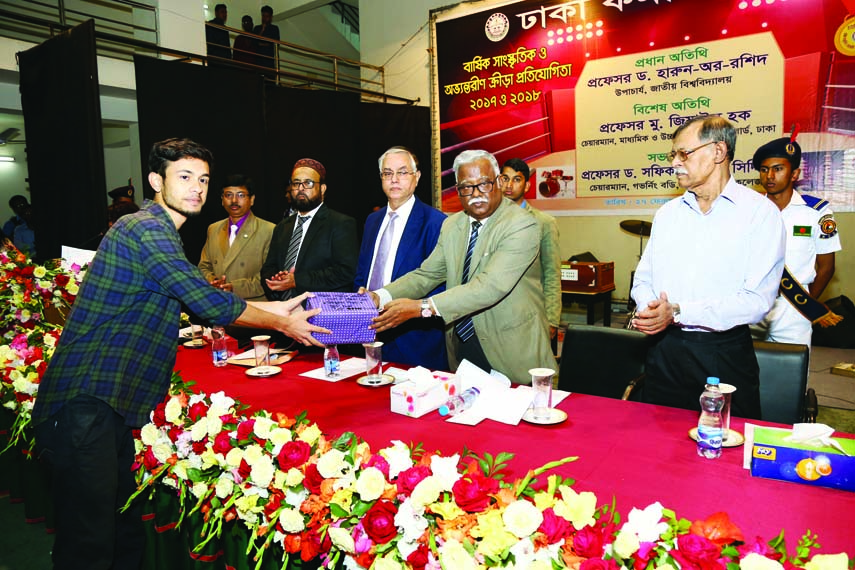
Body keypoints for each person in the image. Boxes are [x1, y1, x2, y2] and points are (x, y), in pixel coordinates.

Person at [31, 138, 327, 570]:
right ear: (156, 181)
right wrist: (283, 322)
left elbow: (198, 293)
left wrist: (275, 307)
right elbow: (205, 301)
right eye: (184, 177)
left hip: (104, 406)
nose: (197, 189)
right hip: (85, 402)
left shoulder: (158, 232)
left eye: (203, 179)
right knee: (90, 544)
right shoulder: (145, 229)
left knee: (119, 531)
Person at [630, 116, 786, 420]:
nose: (674, 163)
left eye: (683, 153)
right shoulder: (668, 214)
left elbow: (756, 301)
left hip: (722, 354)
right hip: (665, 350)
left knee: (726, 448)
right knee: (658, 445)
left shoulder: (759, 214)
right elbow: (644, 277)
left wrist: (677, 311)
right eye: (672, 155)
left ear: (718, 152)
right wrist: (649, 308)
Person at [365, 149, 554, 383]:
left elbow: (489, 287)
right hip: (462, 346)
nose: (476, 194)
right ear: (458, 190)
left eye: (484, 184)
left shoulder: (522, 224)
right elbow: (427, 274)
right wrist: (379, 296)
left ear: (498, 182)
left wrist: (420, 308)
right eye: (466, 187)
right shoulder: (452, 224)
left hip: (511, 349)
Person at [354, 146, 448, 370]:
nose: (394, 179)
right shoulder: (372, 220)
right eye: (387, 173)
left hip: (415, 341)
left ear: (417, 177)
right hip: (371, 334)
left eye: (402, 172)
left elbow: (438, 284)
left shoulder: (436, 222)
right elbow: (362, 274)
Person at [752, 135, 843, 346]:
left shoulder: (816, 213)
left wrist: (806, 304)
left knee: (792, 372)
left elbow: (827, 267)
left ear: (794, 174)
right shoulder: (750, 211)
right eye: (764, 170)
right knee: (748, 373)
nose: (770, 176)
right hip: (755, 303)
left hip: (794, 308)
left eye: (778, 169)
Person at [261, 158, 358, 300]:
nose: (301, 188)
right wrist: (276, 279)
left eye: (308, 183)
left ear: (322, 189)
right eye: (296, 183)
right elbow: (268, 267)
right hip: (282, 310)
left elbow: (346, 272)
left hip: (320, 314)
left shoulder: (340, 223)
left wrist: (297, 281)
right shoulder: (282, 227)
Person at [499, 157, 562, 339]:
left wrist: (551, 320)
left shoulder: (544, 223)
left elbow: (552, 273)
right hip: (495, 316)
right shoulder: (489, 221)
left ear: (526, 186)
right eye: (505, 178)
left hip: (530, 315)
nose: (509, 185)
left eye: (517, 179)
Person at [199, 174, 274, 302]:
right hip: (219, 304)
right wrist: (214, 282)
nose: (234, 200)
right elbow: (203, 267)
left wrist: (234, 287)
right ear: (222, 200)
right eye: (228, 195)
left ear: (252, 200)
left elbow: (269, 278)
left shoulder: (269, 230)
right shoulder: (214, 229)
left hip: (253, 307)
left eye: (240, 195)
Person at [253, 5, 280, 73]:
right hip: (258, 61)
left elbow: (275, 44)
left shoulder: (274, 28)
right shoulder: (257, 28)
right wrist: (262, 30)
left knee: (269, 80)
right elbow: (254, 42)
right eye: (263, 16)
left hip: (269, 61)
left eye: (267, 16)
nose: (264, 18)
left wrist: (261, 44)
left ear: (271, 17)